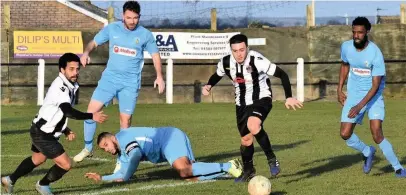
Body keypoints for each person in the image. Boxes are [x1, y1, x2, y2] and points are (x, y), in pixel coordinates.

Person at [1, 53, 107, 195]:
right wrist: (91, 115)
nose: (75, 72)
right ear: (62, 70)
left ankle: (9, 179)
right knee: (66, 164)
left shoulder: (70, 84)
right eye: (71, 69)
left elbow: (56, 112)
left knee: (38, 159)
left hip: (42, 129)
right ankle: (42, 184)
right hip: (43, 133)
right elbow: (67, 111)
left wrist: (65, 129)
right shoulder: (61, 87)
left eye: (77, 69)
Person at [201, 34, 303, 182]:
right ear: (231, 50)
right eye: (235, 51)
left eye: (242, 50)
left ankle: (271, 158)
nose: (239, 54)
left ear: (247, 48)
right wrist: (209, 85)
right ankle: (249, 171)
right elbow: (217, 75)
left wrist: (288, 96)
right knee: (246, 140)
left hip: (262, 98)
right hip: (241, 104)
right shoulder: (226, 62)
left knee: (253, 124)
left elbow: (282, 74)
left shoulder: (256, 60)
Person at [74, 1, 165, 163]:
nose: (132, 21)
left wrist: (159, 76)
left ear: (139, 17)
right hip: (109, 79)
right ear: (123, 15)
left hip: (130, 83)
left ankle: (123, 158)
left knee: (125, 121)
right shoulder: (112, 28)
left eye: (135, 18)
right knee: (91, 112)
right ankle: (88, 148)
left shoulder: (145, 34)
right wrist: (85, 53)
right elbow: (94, 42)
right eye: (128, 17)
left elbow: (156, 55)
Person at [337, 16, 405, 178]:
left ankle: (398, 168)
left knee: (376, 133)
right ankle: (367, 152)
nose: (356, 36)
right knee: (345, 134)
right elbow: (345, 65)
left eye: (360, 32)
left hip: (373, 97)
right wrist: (339, 90)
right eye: (354, 32)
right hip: (354, 95)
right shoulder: (346, 47)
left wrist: (360, 106)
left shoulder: (375, 53)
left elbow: (375, 86)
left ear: (367, 32)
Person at [84, 127, 243, 182]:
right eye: (103, 149)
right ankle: (226, 169)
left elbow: (136, 155)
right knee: (190, 176)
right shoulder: (122, 154)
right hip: (167, 143)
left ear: (112, 137)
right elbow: (121, 173)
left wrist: (126, 177)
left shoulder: (123, 137)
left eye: (106, 145)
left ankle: (229, 165)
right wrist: (102, 178)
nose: (107, 149)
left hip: (168, 138)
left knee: (184, 170)